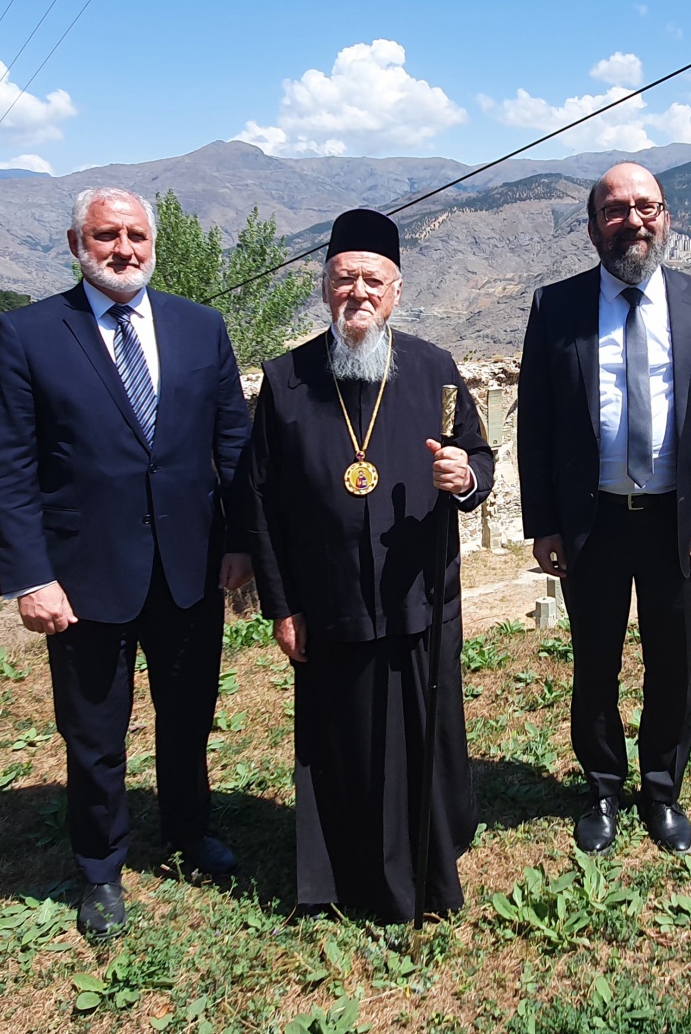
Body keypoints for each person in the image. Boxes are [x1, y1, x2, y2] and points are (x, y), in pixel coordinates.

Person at [0, 186, 253, 942]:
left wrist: (241, 541)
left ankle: (189, 831)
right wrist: (31, 576)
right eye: (106, 235)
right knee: (95, 731)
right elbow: (9, 466)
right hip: (84, 574)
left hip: (191, 566)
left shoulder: (200, 327)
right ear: (77, 244)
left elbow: (233, 442)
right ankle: (100, 867)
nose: (123, 249)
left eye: (136, 235)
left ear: (152, 243)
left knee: (188, 715)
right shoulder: (30, 333)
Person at [236, 208, 492, 921]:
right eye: (345, 279)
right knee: (343, 737)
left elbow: (479, 454)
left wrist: (465, 477)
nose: (359, 293)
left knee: (423, 731)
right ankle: (345, 869)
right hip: (330, 603)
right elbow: (260, 502)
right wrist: (282, 607)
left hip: (419, 596)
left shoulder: (434, 369)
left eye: (373, 281)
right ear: (325, 288)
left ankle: (431, 848)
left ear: (396, 291)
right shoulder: (287, 381)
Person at [517, 162, 691, 857]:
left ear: (666, 217)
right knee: (595, 661)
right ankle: (602, 788)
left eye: (647, 207)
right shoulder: (555, 308)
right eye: (615, 210)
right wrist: (543, 524)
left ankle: (662, 791)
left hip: (679, 523)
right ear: (593, 228)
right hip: (593, 521)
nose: (633, 221)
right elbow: (536, 425)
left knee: (673, 662)